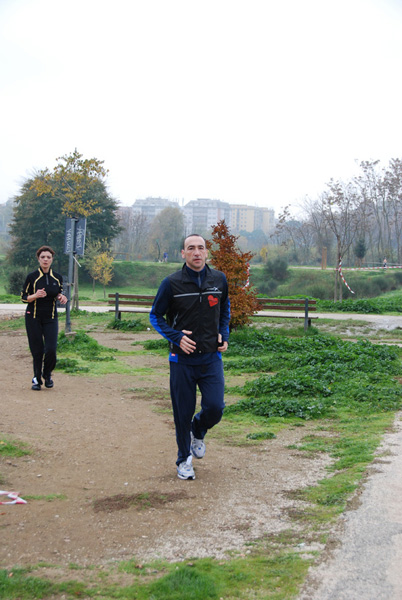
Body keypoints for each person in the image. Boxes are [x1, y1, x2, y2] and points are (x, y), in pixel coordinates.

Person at [150, 234, 230, 480]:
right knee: (182, 414)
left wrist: (224, 334)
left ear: (207, 253)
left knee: (215, 407)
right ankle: (183, 459)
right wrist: (176, 337)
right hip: (182, 361)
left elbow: (225, 309)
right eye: (191, 248)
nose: (197, 252)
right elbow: (156, 316)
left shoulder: (219, 280)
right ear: (182, 253)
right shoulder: (171, 283)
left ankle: (199, 428)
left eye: (201, 248)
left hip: (210, 359)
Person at [21, 246, 67, 390]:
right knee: (37, 350)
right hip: (33, 317)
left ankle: (47, 375)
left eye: (48, 257)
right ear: (38, 259)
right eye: (43, 257)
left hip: (51, 318)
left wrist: (61, 297)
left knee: (51, 349)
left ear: (52, 259)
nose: (46, 260)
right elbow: (23, 298)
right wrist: (35, 295)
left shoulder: (57, 277)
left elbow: (58, 293)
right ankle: (36, 379)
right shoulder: (32, 277)